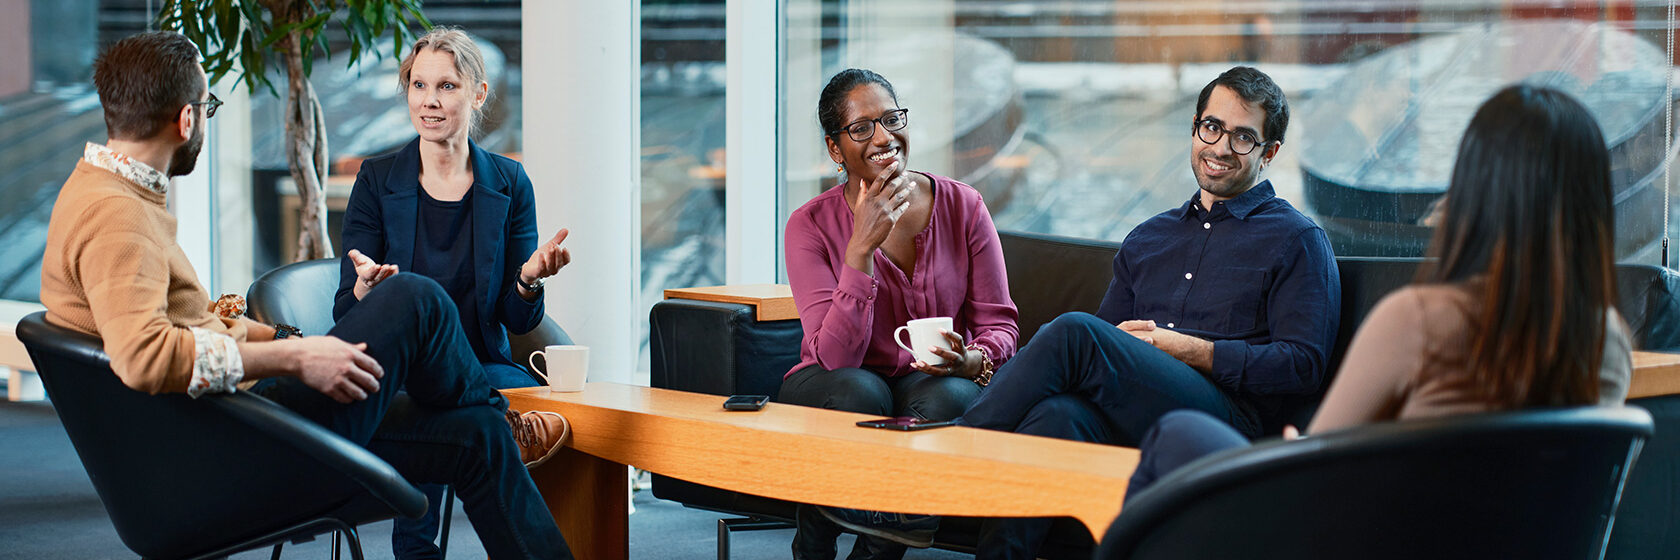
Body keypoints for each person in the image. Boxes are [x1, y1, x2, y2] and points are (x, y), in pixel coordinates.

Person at [38, 31, 573, 559]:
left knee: (479, 435)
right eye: (208, 107)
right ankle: (503, 416)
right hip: (238, 435)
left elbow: (192, 326)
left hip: (237, 417)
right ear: (186, 120)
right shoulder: (118, 217)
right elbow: (143, 357)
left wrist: (291, 341)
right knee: (417, 298)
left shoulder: (106, 192)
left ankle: (498, 423)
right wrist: (297, 357)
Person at [1124, 84, 1633, 500]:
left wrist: (1295, 445)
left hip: (1370, 536)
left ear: (1472, 188)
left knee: (1179, 435)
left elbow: (1319, 456)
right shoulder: (1608, 340)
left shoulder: (1418, 320)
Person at [955, 66, 1342, 559]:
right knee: (1058, 415)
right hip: (1133, 414)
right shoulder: (1149, 237)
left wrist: (1188, 350)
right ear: (1195, 127)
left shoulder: (1298, 239)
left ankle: (948, 456)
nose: (1222, 147)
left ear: (1269, 152)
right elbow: (1106, 344)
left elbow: (1303, 365)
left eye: (1243, 137)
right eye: (1212, 127)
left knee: (1075, 333)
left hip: (1227, 427)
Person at [332, 27, 572, 558]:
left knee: (453, 409)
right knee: (448, 409)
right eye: (418, 86)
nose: (429, 101)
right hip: (401, 373)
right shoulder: (376, 180)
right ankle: (501, 429)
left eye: (446, 86)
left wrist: (528, 279)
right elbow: (345, 312)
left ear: (478, 94)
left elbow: (515, 319)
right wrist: (367, 291)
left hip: (483, 366)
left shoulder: (509, 182)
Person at [781, 68, 1020, 559]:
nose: (883, 137)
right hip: (831, 381)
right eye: (861, 128)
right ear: (834, 149)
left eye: (891, 119)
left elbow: (1000, 323)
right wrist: (860, 250)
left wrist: (971, 360)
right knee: (861, 391)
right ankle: (814, 543)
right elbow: (835, 356)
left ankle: (875, 552)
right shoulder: (809, 225)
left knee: (951, 396)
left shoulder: (964, 206)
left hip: (925, 381)